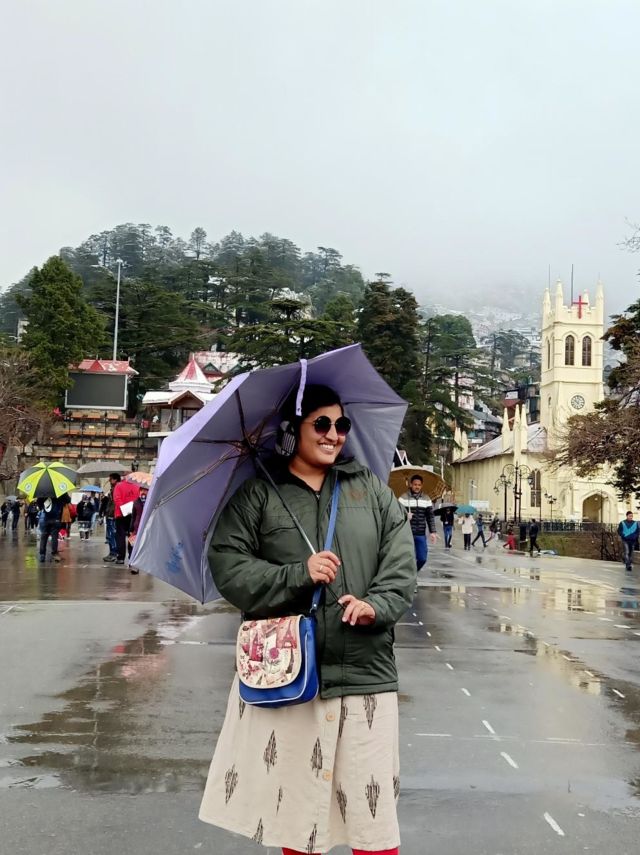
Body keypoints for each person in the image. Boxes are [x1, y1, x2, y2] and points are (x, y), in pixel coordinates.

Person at [199, 384, 416, 855]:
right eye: (321, 424)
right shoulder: (259, 494)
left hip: (365, 670)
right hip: (292, 673)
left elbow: (400, 562)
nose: (333, 434)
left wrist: (376, 605)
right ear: (292, 430)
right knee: (298, 819)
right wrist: (299, 573)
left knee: (374, 820)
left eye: (341, 425)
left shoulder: (370, 489)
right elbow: (229, 567)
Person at [399, 474, 437, 570]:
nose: (417, 487)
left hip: (421, 534)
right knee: (406, 559)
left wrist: (433, 532)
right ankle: (408, 575)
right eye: (415, 484)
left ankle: (414, 572)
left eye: (419, 485)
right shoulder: (403, 498)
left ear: (422, 485)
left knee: (422, 559)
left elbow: (430, 517)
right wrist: (405, 516)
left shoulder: (426, 499)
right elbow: (396, 515)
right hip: (407, 534)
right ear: (411, 484)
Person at [113, 476, 139, 565]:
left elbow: (117, 499)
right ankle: (132, 557)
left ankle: (121, 558)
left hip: (120, 515)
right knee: (132, 536)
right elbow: (138, 500)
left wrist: (124, 509)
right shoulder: (137, 486)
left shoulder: (118, 486)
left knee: (120, 536)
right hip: (133, 515)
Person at [37, 494, 69, 562]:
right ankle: (54, 554)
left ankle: (42, 555)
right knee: (54, 537)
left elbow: (39, 504)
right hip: (56, 518)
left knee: (44, 536)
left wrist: (43, 507)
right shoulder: (59, 493)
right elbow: (68, 500)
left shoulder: (43, 492)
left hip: (46, 518)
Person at [127, 486, 148, 574]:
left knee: (145, 546)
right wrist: (131, 528)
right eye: (142, 490)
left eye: (145, 490)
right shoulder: (136, 502)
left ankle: (146, 564)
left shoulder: (150, 501)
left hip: (147, 527)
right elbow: (133, 516)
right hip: (137, 527)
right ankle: (134, 565)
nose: (143, 492)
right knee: (134, 546)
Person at [102, 474, 120, 562]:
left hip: (112, 515)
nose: (109, 481)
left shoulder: (116, 489)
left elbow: (114, 502)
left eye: (111, 479)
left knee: (111, 535)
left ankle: (113, 553)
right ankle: (113, 553)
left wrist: (110, 513)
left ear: (115, 480)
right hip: (112, 514)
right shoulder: (114, 489)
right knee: (111, 535)